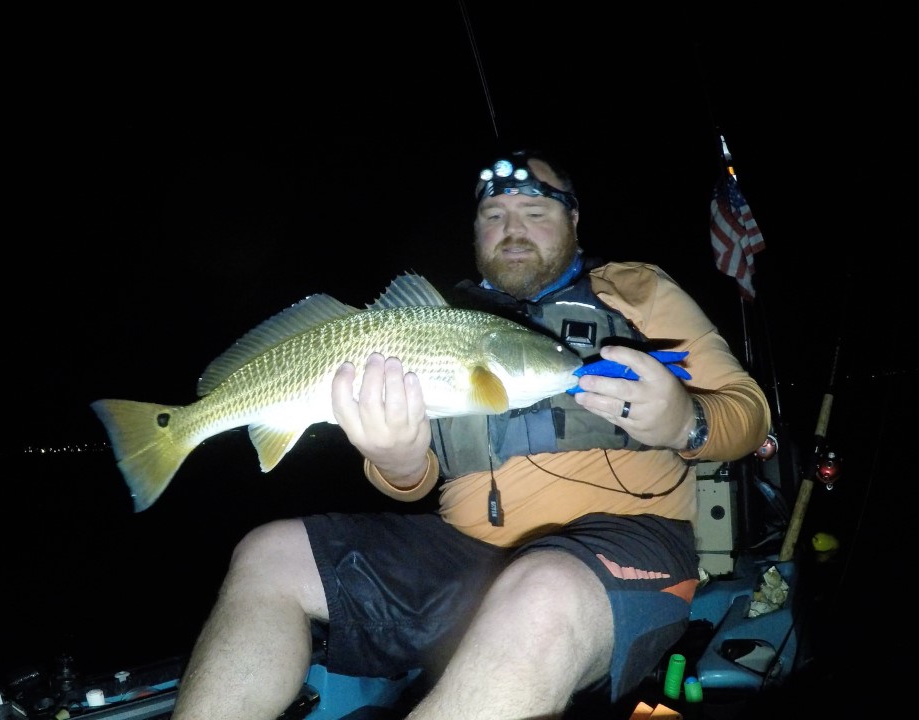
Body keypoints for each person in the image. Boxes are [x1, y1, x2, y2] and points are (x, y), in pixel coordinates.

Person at [168, 148, 772, 719]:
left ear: (574, 220)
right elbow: (413, 482)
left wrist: (684, 421)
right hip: (459, 557)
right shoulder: (437, 324)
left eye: (535, 212)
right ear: (476, 231)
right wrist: (396, 461)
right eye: (494, 215)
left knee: (541, 591)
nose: (514, 229)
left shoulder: (637, 289)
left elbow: (749, 413)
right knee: (268, 554)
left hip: (624, 549)